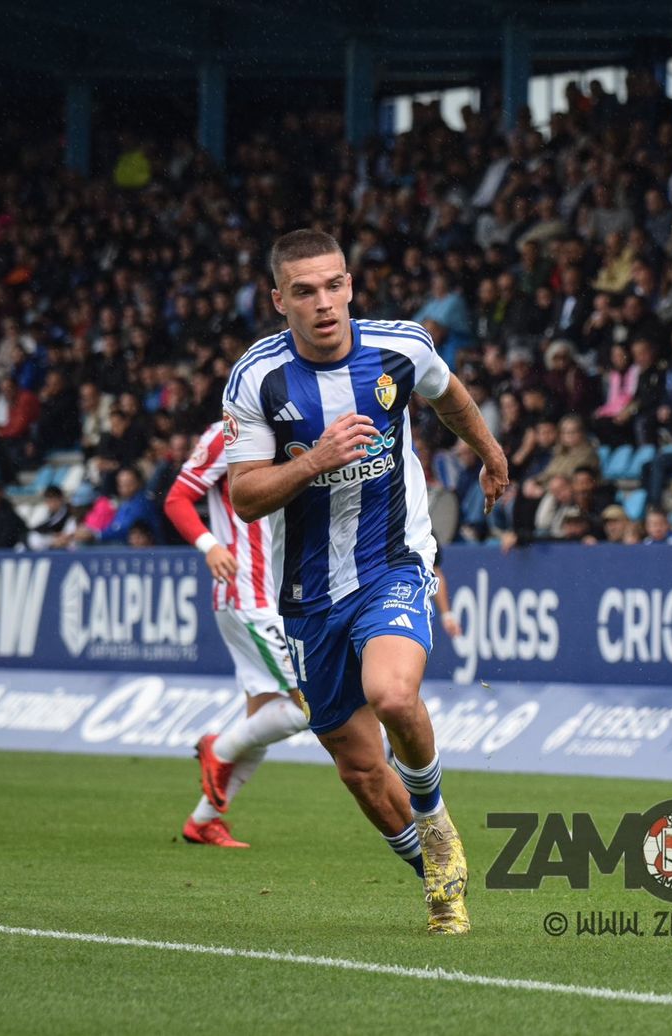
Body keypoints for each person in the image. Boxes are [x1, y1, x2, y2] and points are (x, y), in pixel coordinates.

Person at [222, 229, 509, 935]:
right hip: (308, 592)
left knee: (392, 692)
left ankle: (435, 819)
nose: (324, 303)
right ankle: (435, 876)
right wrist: (316, 459)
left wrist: (490, 450)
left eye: (334, 285)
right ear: (279, 299)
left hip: (394, 560)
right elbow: (247, 496)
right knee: (356, 765)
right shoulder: (257, 378)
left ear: (350, 284)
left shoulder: (401, 346)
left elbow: (450, 397)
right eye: (305, 291)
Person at [163, 419, 309, 850]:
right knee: (309, 705)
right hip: (248, 592)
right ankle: (219, 748)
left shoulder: (297, 427)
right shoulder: (226, 432)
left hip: (276, 595)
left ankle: (203, 821)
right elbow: (176, 499)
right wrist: (210, 546)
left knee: (263, 719)